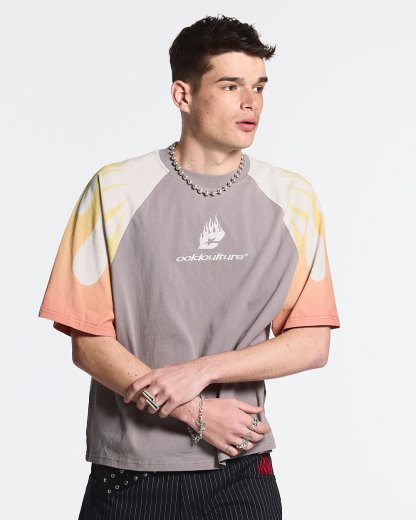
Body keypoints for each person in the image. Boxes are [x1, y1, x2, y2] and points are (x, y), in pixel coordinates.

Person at [38, 14, 340, 520]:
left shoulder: (294, 199)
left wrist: (203, 370)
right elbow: (87, 341)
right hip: (130, 472)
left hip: (241, 467)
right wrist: (192, 411)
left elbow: (312, 342)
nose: (251, 102)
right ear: (183, 94)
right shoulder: (115, 190)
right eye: (230, 85)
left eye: (259, 87)